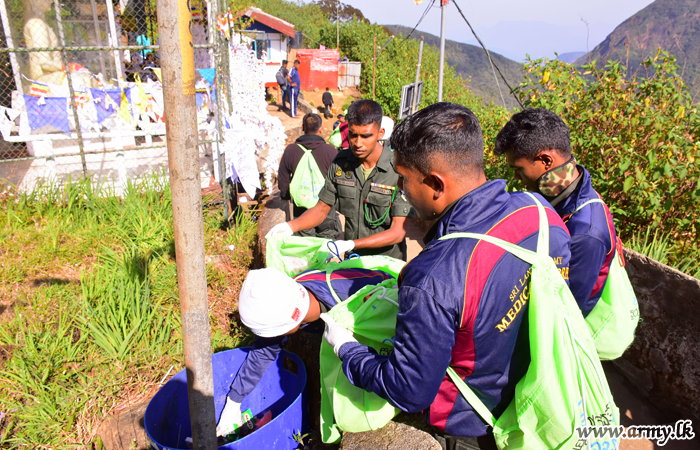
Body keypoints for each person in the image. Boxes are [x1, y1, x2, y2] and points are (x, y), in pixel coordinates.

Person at [321, 103, 572, 450]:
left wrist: (348, 350)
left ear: (435, 184)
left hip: (473, 425)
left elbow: (408, 390)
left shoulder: (434, 278)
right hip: (540, 400)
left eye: (404, 179)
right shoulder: (541, 213)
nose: (401, 190)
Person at [215, 266, 394, 437]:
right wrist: (233, 402)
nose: (271, 338)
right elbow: (264, 351)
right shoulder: (289, 296)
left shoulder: (352, 300)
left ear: (287, 326)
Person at [494, 108, 618, 317]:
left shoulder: (586, 232)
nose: (516, 177)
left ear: (546, 160)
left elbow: (566, 311)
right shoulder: (564, 192)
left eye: (519, 169)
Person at [266, 100, 414, 260]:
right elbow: (321, 209)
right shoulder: (341, 164)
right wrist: (290, 226)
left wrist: (351, 244)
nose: (358, 143)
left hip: (386, 264)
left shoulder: (398, 169)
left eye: (366, 136)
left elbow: (398, 232)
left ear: (380, 133)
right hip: (353, 261)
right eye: (353, 134)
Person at [278, 113, 341, 239]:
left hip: (301, 206)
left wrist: (285, 195)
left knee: (305, 241)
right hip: (325, 205)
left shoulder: (291, 150)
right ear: (320, 128)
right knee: (327, 239)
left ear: (303, 127)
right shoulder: (330, 151)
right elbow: (339, 178)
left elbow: (283, 177)